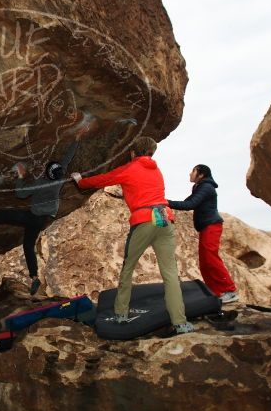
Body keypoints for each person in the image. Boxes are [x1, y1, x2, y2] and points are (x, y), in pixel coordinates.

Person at [71, 136, 194, 335]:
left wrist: (80, 181)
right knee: (170, 274)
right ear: (151, 152)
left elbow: (103, 179)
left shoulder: (130, 168)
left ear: (132, 152)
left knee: (128, 267)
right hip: (165, 217)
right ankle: (180, 323)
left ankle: (121, 313)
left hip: (144, 219)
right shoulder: (157, 171)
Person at [0, 128, 85, 295]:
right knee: (28, 245)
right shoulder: (59, 180)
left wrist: (20, 176)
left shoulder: (40, 183)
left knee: (1, 215)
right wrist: (77, 139)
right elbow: (66, 160)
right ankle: (34, 278)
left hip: (33, 217)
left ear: (46, 173)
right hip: (44, 219)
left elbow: (20, 194)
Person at [167, 164, 239, 303]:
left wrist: (165, 202)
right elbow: (186, 202)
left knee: (211, 259)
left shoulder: (206, 187)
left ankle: (230, 291)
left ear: (201, 174)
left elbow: (190, 204)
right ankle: (215, 292)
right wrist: (166, 202)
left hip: (212, 226)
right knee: (205, 262)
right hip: (206, 227)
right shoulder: (199, 187)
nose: (190, 173)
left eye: (193, 171)